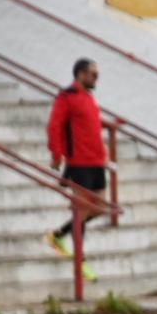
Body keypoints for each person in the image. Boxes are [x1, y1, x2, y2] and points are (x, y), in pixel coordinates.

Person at [44, 58, 108, 280]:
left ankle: (58, 235)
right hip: (79, 163)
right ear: (80, 74)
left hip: (97, 162)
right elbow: (55, 125)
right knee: (81, 210)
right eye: (93, 74)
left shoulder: (90, 98)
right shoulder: (67, 96)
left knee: (100, 207)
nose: (96, 78)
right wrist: (56, 154)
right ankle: (80, 261)